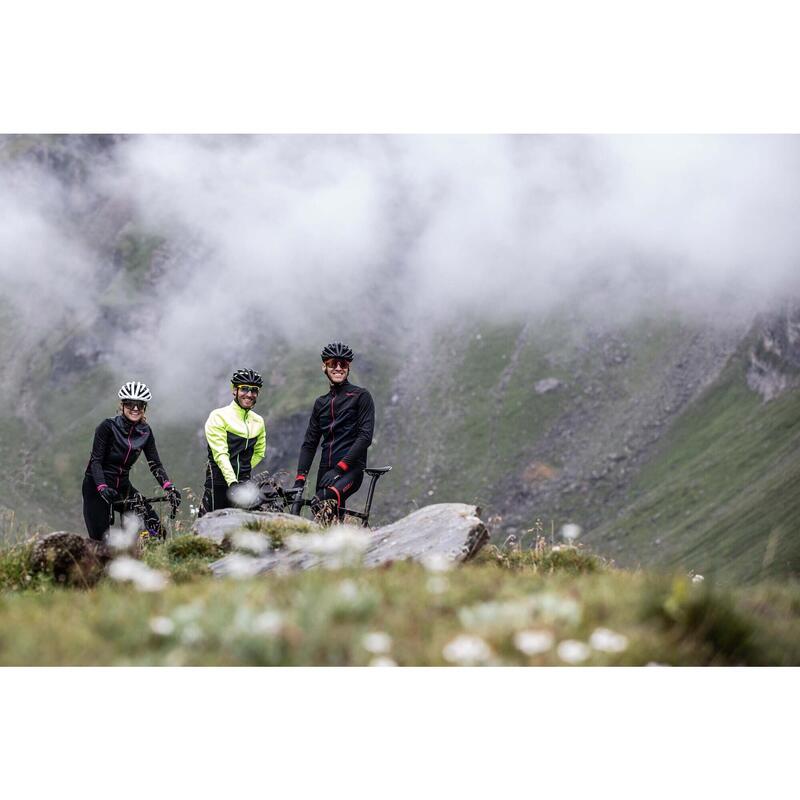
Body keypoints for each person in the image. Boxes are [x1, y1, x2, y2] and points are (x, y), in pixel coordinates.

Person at [82, 381, 181, 541]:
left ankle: (143, 558)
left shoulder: (146, 432)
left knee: (156, 530)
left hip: (122, 486)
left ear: (144, 407)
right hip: (96, 486)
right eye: (130, 404)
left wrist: (169, 487)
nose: (135, 409)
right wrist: (102, 487)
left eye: (140, 405)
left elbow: (155, 464)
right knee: (100, 542)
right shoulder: (107, 426)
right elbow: (96, 461)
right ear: (122, 405)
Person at [292, 342, 375, 520]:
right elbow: (310, 443)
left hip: (350, 470)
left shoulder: (361, 396)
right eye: (333, 363)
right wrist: (300, 479)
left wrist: (339, 469)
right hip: (325, 471)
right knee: (326, 520)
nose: (338, 368)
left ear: (348, 367)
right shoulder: (320, 403)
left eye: (343, 364)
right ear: (324, 366)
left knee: (323, 501)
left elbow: (365, 437)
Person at [199, 368, 267, 515]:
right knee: (208, 532)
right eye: (244, 389)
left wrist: (243, 473)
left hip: (241, 485)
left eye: (254, 390)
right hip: (217, 484)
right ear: (234, 390)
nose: (249, 394)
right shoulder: (219, 416)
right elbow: (220, 454)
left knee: (241, 532)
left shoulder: (258, 421)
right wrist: (233, 482)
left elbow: (260, 453)